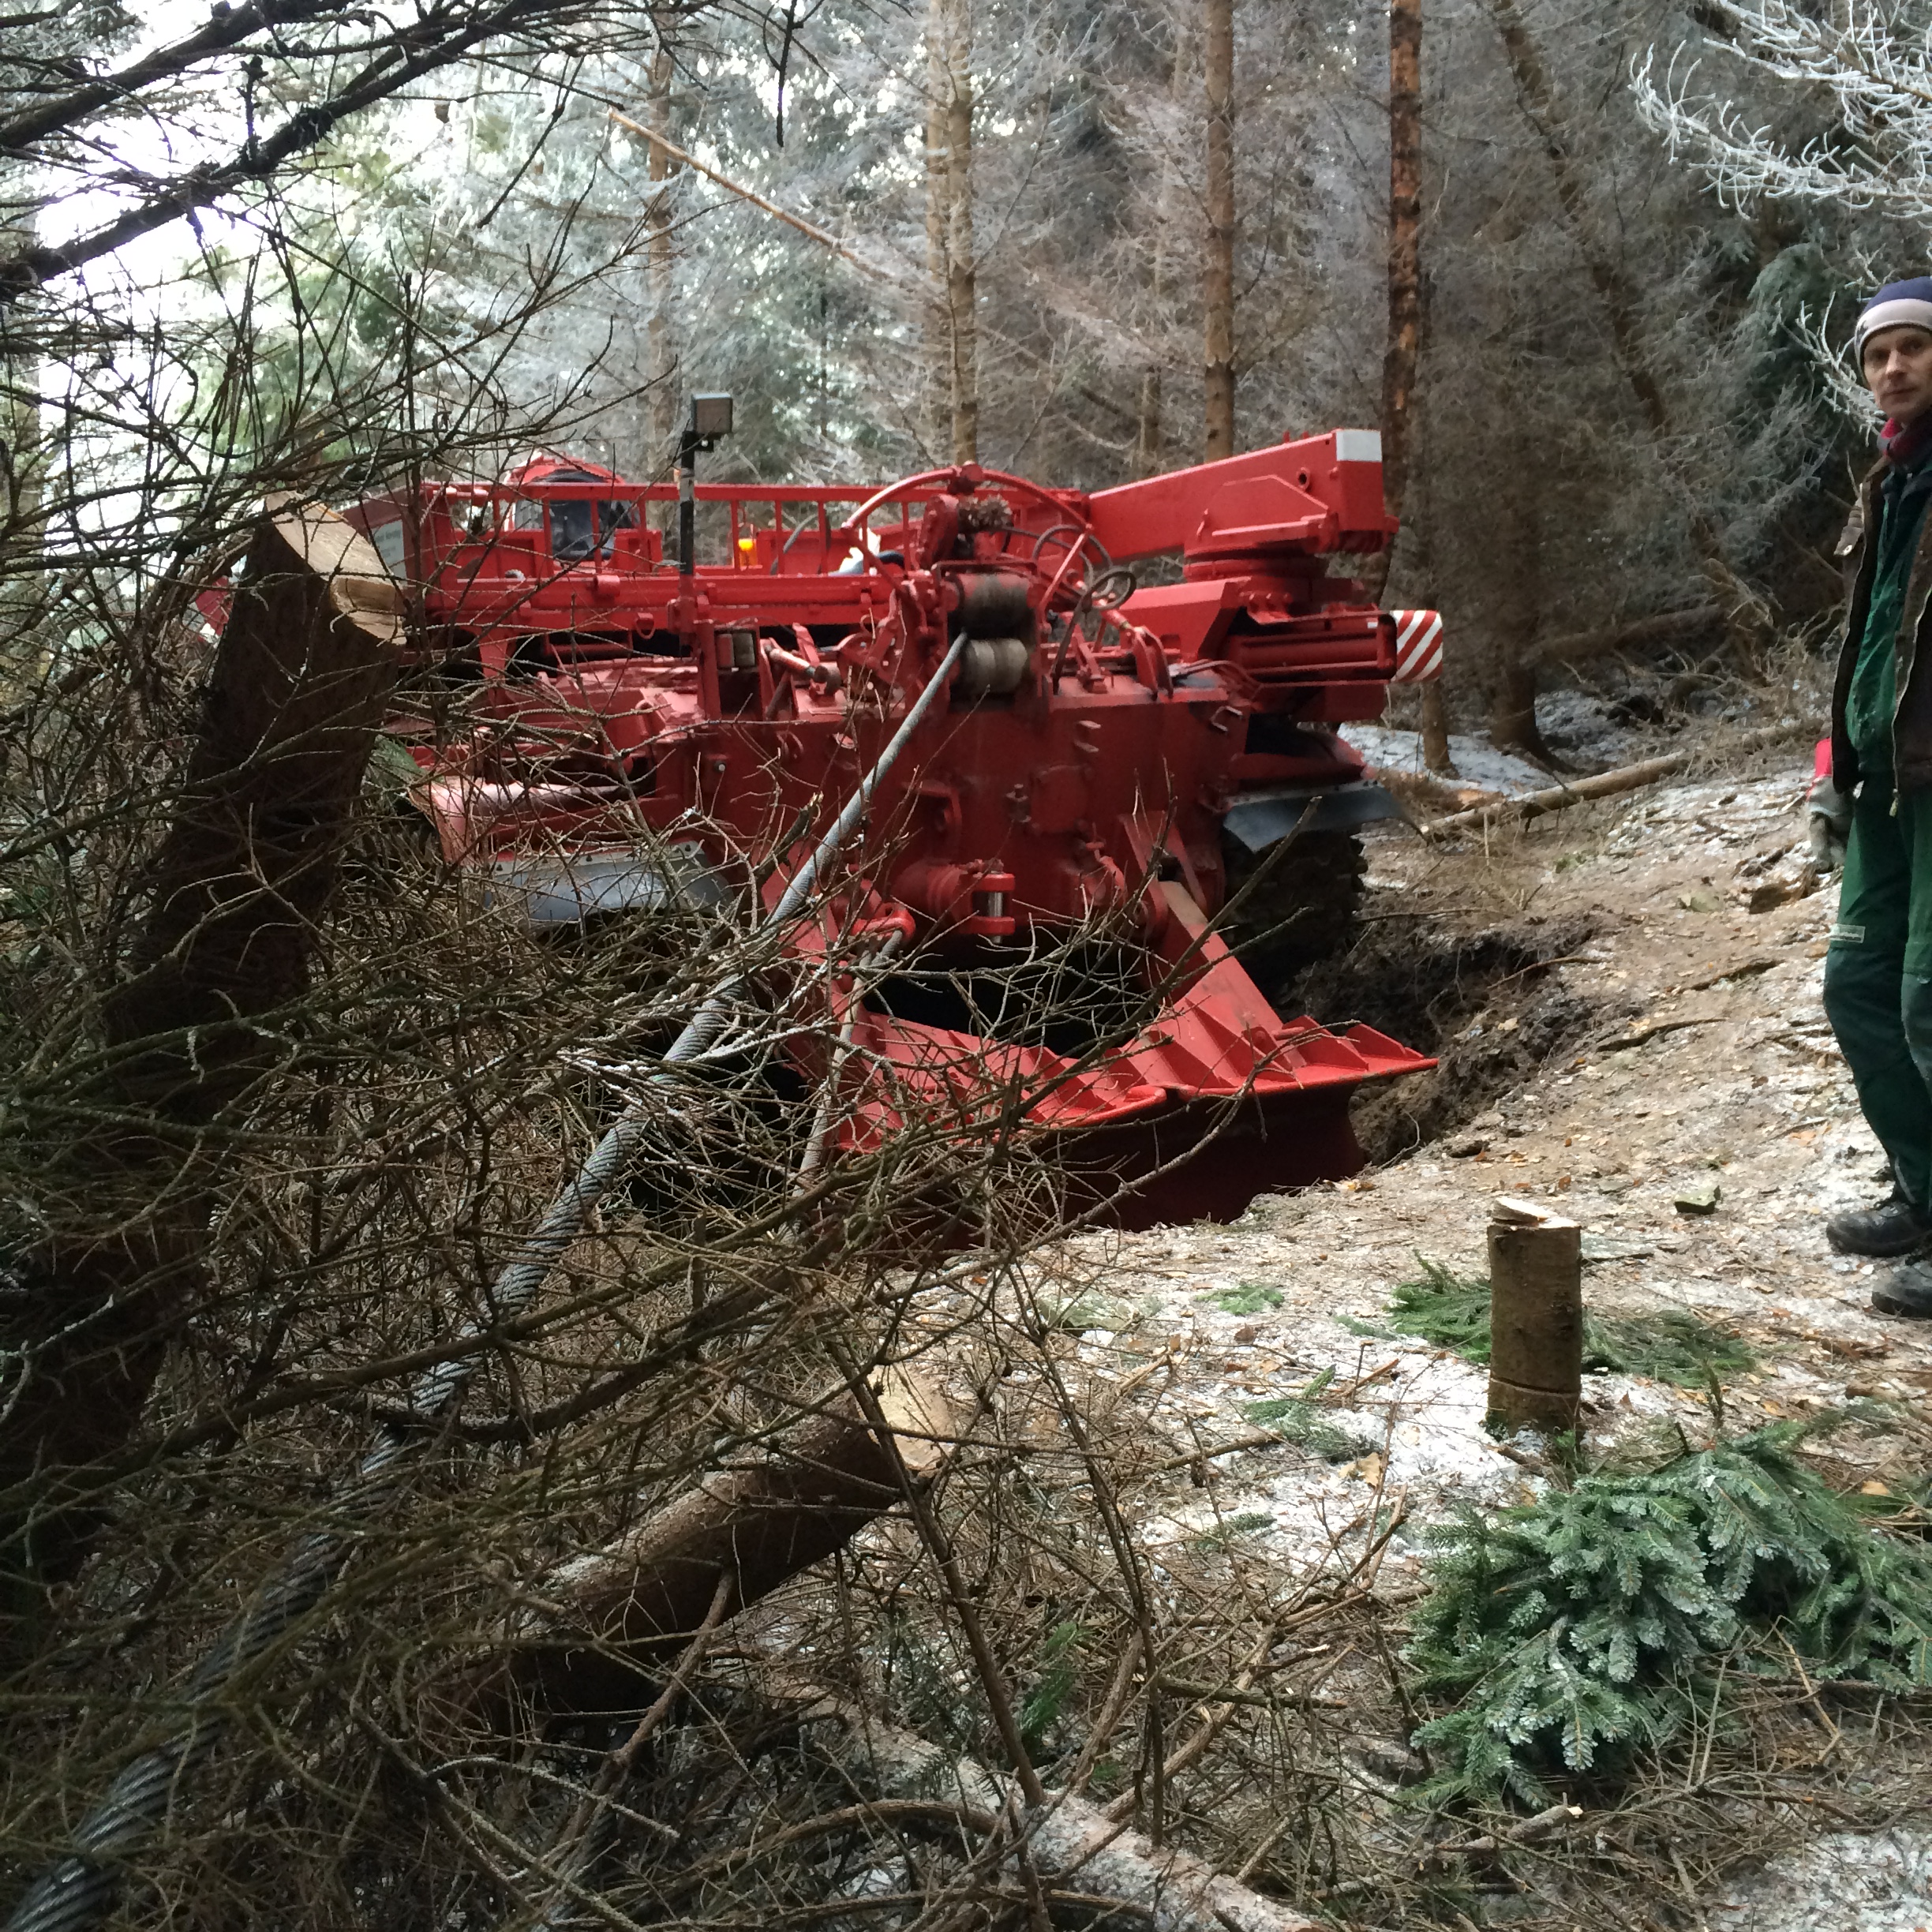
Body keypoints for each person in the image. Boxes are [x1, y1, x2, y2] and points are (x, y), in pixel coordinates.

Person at [1812, 275, 1932, 1314]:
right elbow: (1862, 642)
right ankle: (1922, 1191)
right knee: (1858, 991)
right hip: (1883, 791)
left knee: (1929, 1001)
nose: (1892, 370)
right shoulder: (1886, 483)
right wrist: (1832, 775)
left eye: (1913, 350)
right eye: (1877, 355)